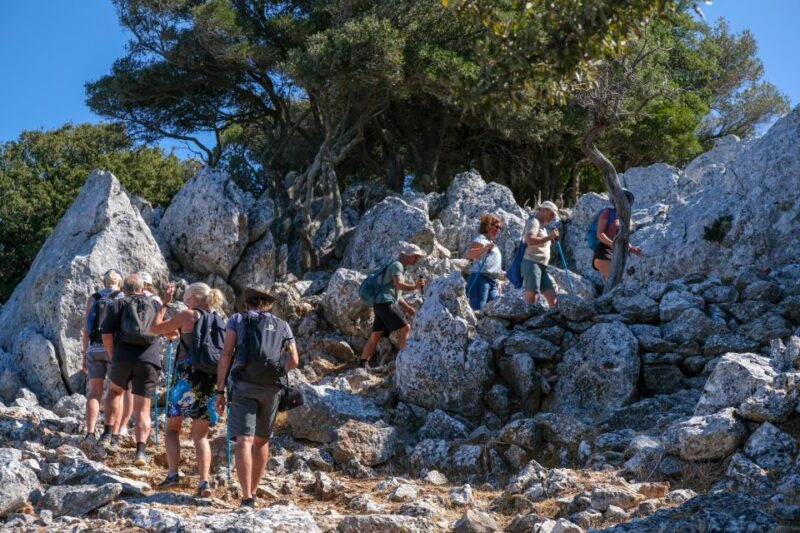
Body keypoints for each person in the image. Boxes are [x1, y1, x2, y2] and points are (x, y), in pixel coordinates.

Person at [215, 287, 299, 507]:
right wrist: (277, 373)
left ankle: (246, 497)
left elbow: (226, 354)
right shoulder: (283, 325)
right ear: (268, 305)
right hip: (272, 388)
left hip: (243, 385)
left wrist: (220, 390)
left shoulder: (237, 319)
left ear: (246, 303)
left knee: (244, 439)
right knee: (262, 441)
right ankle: (254, 490)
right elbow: (295, 360)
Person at [149, 282, 226, 497]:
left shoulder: (188, 315)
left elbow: (155, 328)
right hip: (211, 379)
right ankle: (204, 482)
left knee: (173, 429)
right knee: (201, 435)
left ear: (193, 297)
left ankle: (173, 474)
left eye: (185, 297)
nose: (185, 301)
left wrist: (163, 305)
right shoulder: (220, 320)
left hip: (186, 378)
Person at [99, 273, 163, 466]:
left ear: (123, 289)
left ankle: (108, 434)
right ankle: (141, 452)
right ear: (143, 288)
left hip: (123, 356)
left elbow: (107, 334)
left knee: (115, 391)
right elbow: (169, 330)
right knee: (143, 409)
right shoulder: (156, 305)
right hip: (149, 359)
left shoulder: (117, 304)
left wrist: (112, 356)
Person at [358, 242, 427, 368]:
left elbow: (397, 293)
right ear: (407, 255)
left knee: (376, 335)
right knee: (406, 327)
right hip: (385, 303)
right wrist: (415, 287)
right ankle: (403, 361)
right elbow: (399, 285)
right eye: (415, 256)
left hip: (379, 304)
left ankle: (363, 362)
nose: (416, 259)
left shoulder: (399, 267)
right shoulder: (397, 266)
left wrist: (408, 308)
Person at [81, 269, 124, 438]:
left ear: (104, 282)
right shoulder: (121, 297)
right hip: (114, 350)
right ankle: (112, 433)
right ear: (119, 282)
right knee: (115, 392)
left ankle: (90, 432)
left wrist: (85, 354)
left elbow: (86, 329)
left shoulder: (94, 298)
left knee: (94, 392)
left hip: (94, 349)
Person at [592, 189, 643, 279]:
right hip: (603, 252)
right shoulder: (607, 213)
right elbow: (599, 234)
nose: (621, 201)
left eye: (624, 199)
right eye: (619, 198)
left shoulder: (626, 219)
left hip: (615, 253)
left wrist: (632, 248)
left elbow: (622, 238)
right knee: (616, 282)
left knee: (616, 284)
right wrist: (613, 244)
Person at [521, 201, 560, 307]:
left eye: (553, 215)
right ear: (543, 210)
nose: (552, 217)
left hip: (541, 266)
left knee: (553, 299)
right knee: (532, 296)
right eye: (551, 214)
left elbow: (539, 242)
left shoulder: (541, 226)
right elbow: (529, 240)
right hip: (532, 263)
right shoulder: (534, 222)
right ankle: (526, 321)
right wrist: (549, 237)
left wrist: (550, 240)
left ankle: (553, 318)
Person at [466, 214, 504, 311]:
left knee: (495, 309)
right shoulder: (481, 239)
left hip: (493, 282)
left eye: (500, 228)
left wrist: (498, 282)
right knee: (478, 309)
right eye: (497, 227)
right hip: (481, 278)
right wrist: (485, 248)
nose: (498, 230)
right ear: (488, 225)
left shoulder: (491, 242)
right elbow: (470, 254)